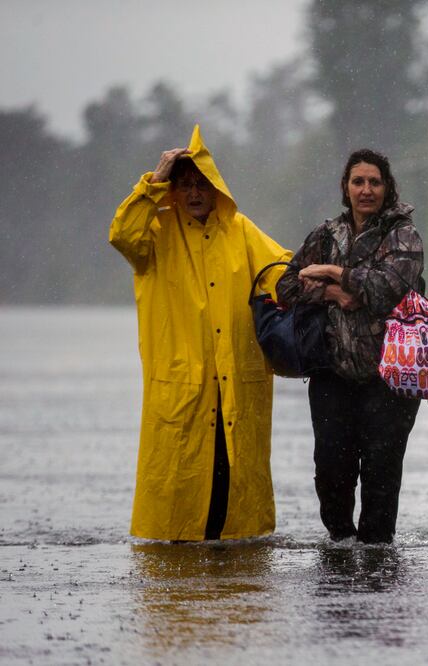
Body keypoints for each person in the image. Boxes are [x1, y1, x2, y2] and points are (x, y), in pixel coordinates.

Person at [109, 125, 291, 541]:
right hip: (181, 390)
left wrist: (326, 282)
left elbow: (281, 270)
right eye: (185, 184)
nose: (194, 193)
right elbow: (122, 235)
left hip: (235, 389)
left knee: (234, 501)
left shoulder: (240, 231)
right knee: (179, 503)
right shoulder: (155, 235)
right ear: (173, 190)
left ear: (216, 189)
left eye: (201, 184)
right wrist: (155, 179)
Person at [276, 149, 424, 545]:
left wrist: (332, 272)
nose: (366, 190)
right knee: (331, 471)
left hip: (390, 377)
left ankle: (377, 557)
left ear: (387, 187)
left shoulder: (403, 235)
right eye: (358, 182)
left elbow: (386, 288)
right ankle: (340, 545)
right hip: (332, 374)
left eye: (374, 182)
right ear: (346, 187)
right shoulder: (325, 235)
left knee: (381, 471)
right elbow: (286, 287)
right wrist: (333, 294)